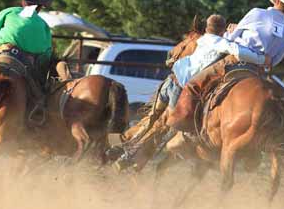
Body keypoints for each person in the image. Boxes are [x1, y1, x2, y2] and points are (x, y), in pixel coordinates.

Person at [114, 14, 268, 170]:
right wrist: (262, 59)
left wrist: (230, 33)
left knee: (151, 119)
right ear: (222, 30)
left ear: (207, 28)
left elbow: (222, 39)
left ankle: (124, 153)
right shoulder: (222, 43)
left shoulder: (204, 39)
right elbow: (237, 50)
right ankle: (133, 158)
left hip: (171, 80)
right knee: (169, 128)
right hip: (181, 88)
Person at [166, 0, 284, 133]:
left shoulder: (257, 13)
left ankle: (180, 124)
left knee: (193, 84)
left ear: (276, 1)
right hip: (256, 71)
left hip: (233, 62)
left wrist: (231, 33)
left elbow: (232, 38)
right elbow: (274, 61)